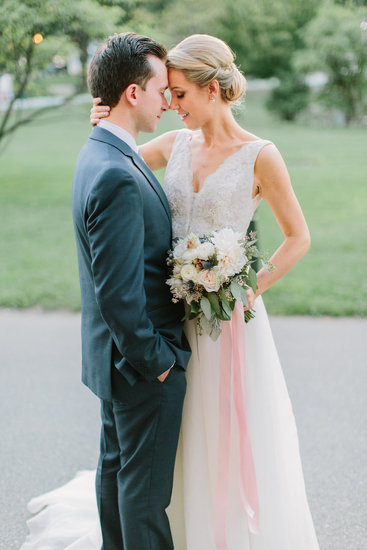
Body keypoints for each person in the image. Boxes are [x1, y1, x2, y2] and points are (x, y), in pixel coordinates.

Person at [21, 34, 319, 550]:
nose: (171, 103)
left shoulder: (260, 156)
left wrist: (248, 288)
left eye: (179, 94)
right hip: (170, 322)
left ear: (211, 89)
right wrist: (101, 119)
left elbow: (299, 237)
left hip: (226, 322)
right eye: (167, 92)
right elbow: (120, 166)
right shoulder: (175, 145)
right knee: (165, 450)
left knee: (222, 437)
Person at [72, 32, 190, 550]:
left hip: (112, 362)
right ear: (133, 94)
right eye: (162, 89)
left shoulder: (100, 151)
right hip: (140, 365)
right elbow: (119, 294)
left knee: (116, 476)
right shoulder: (117, 173)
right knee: (143, 499)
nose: (168, 100)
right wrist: (158, 360)